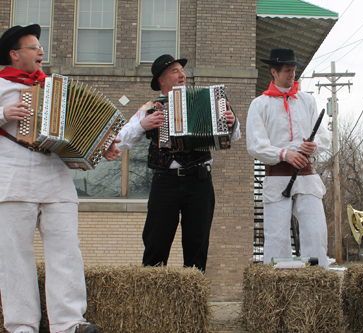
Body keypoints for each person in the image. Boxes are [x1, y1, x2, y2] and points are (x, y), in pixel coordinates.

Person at [0, 24, 110, 333]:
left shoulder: (53, 88)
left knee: (66, 250)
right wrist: (4, 112)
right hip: (13, 179)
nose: (41, 52)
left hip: (56, 178)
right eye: (34, 47)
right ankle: (21, 326)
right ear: (14, 54)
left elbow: (81, 127)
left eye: (40, 46)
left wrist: (105, 145)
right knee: (14, 255)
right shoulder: (0, 86)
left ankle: (69, 322)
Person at [115, 54, 240, 272]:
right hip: (165, 183)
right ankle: (154, 301)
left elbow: (235, 136)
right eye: (175, 71)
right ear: (161, 80)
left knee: (197, 247)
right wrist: (142, 125)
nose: (182, 74)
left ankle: (194, 303)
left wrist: (232, 122)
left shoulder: (207, 101)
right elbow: (120, 141)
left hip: (199, 181)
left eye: (181, 70)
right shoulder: (149, 108)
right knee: (155, 246)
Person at [246, 48, 330, 269]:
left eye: (293, 70)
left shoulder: (307, 101)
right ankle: (278, 284)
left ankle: (317, 277)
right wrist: (284, 153)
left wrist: (314, 146)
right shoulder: (259, 104)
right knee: (276, 236)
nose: (292, 74)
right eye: (286, 70)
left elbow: (324, 137)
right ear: (273, 72)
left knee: (315, 231)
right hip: (276, 176)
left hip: (306, 175)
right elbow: (255, 146)